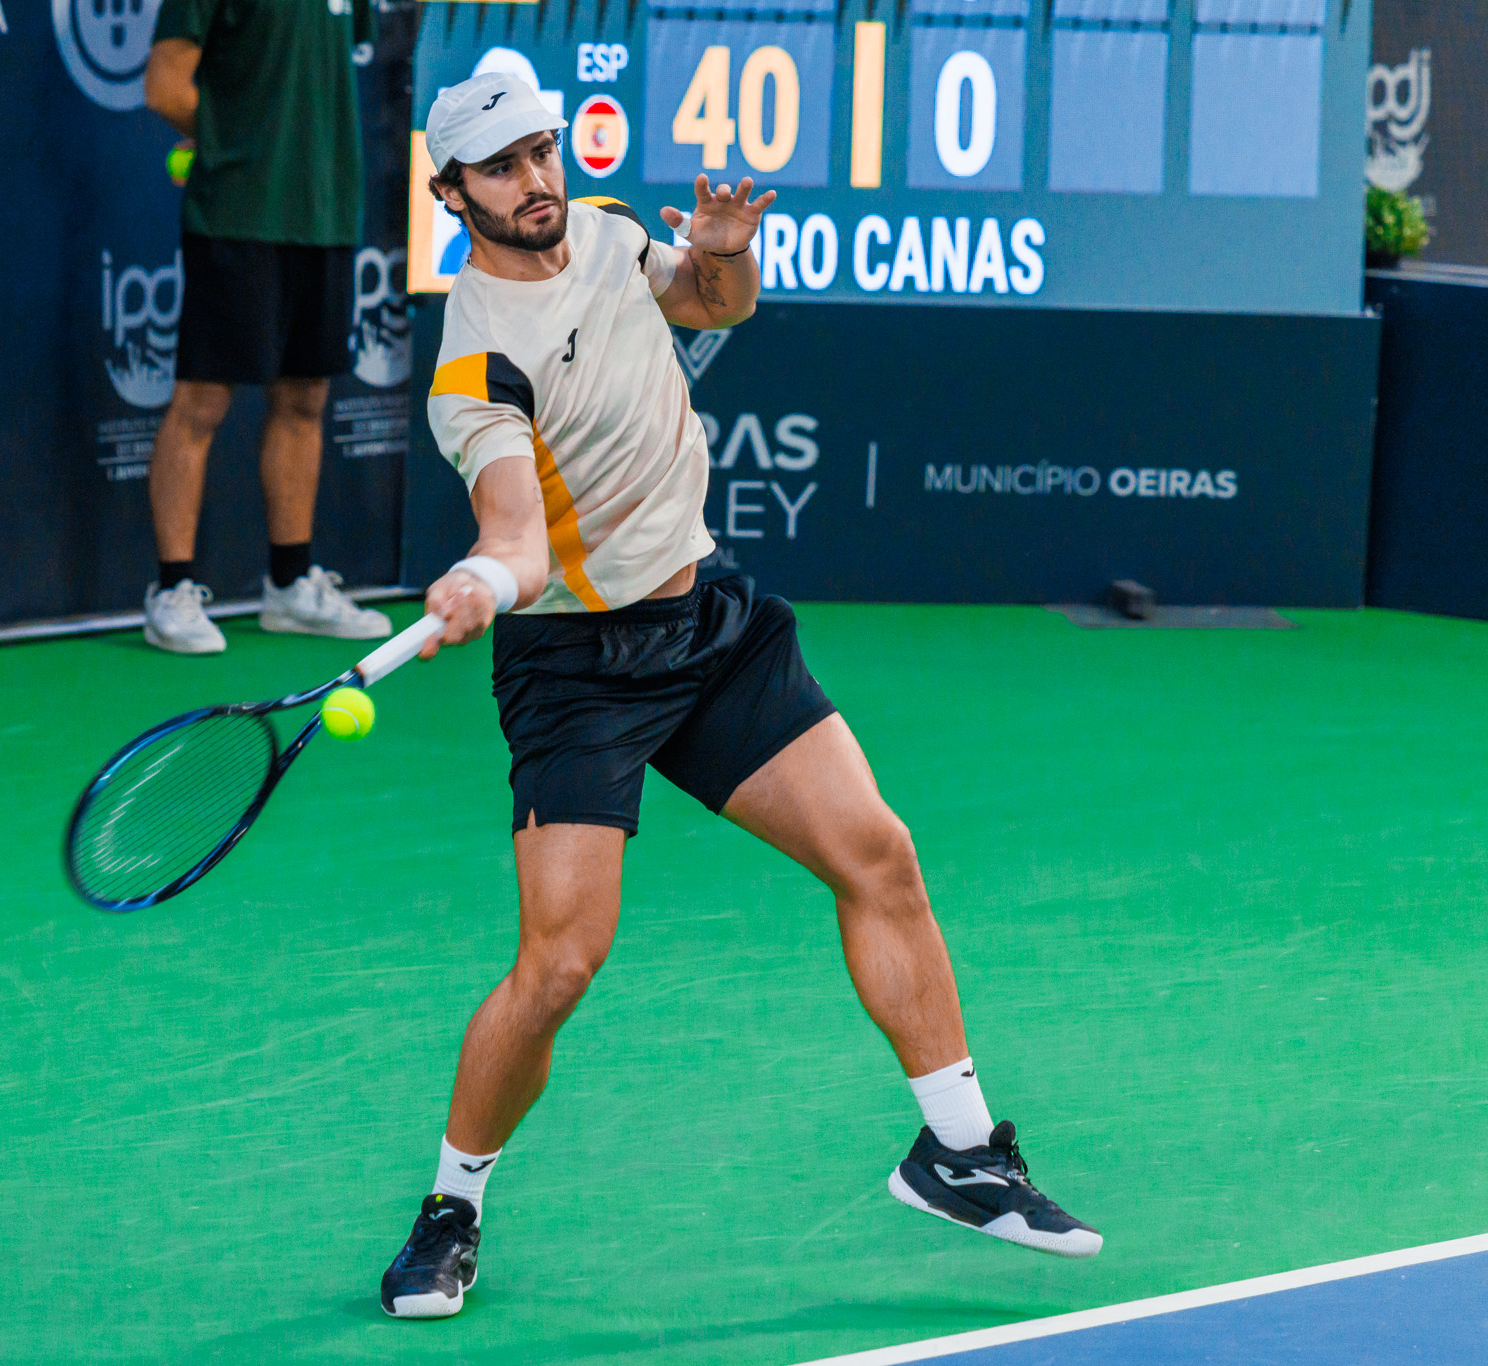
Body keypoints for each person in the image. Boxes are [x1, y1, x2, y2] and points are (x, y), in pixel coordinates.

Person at [377, 74, 1101, 1321]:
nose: (534, 179)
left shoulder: (607, 230)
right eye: (500, 166)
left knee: (877, 853)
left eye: (540, 149)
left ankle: (960, 1152)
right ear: (449, 192)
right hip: (576, 670)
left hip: (706, 623)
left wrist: (722, 250)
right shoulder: (475, 363)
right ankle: (451, 1205)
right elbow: (518, 537)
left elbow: (715, 303)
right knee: (558, 966)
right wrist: (480, 579)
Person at [138, 0, 391, 653]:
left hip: (326, 212)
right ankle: (172, 590)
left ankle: (290, 584)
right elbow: (165, 85)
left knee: (305, 399)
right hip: (238, 214)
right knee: (201, 402)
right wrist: (236, 144)